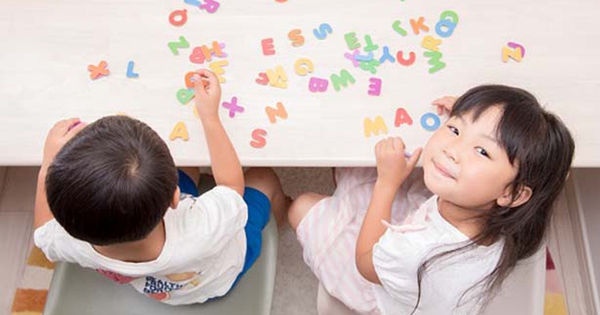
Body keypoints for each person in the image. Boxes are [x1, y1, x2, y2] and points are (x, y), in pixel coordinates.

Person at [288, 85, 575, 314]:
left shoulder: (419, 252)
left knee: (304, 205)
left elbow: (365, 264)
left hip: (375, 289)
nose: (453, 149)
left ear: (512, 194)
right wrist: (475, 120)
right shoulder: (509, 215)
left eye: (483, 151)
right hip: (416, 258)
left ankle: (279, 209)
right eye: (454, 129)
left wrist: (388, 183)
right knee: (357, 170)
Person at [33, 69, 287, 304]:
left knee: (186, 169)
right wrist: (210, 118)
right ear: (175, 198)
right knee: (263, 177)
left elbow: (42, 230)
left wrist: (48, 164)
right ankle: (278, 219)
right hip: (220, 275)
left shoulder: (70, 240)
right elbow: (232, 187)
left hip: (160, 290)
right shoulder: (205, 227)